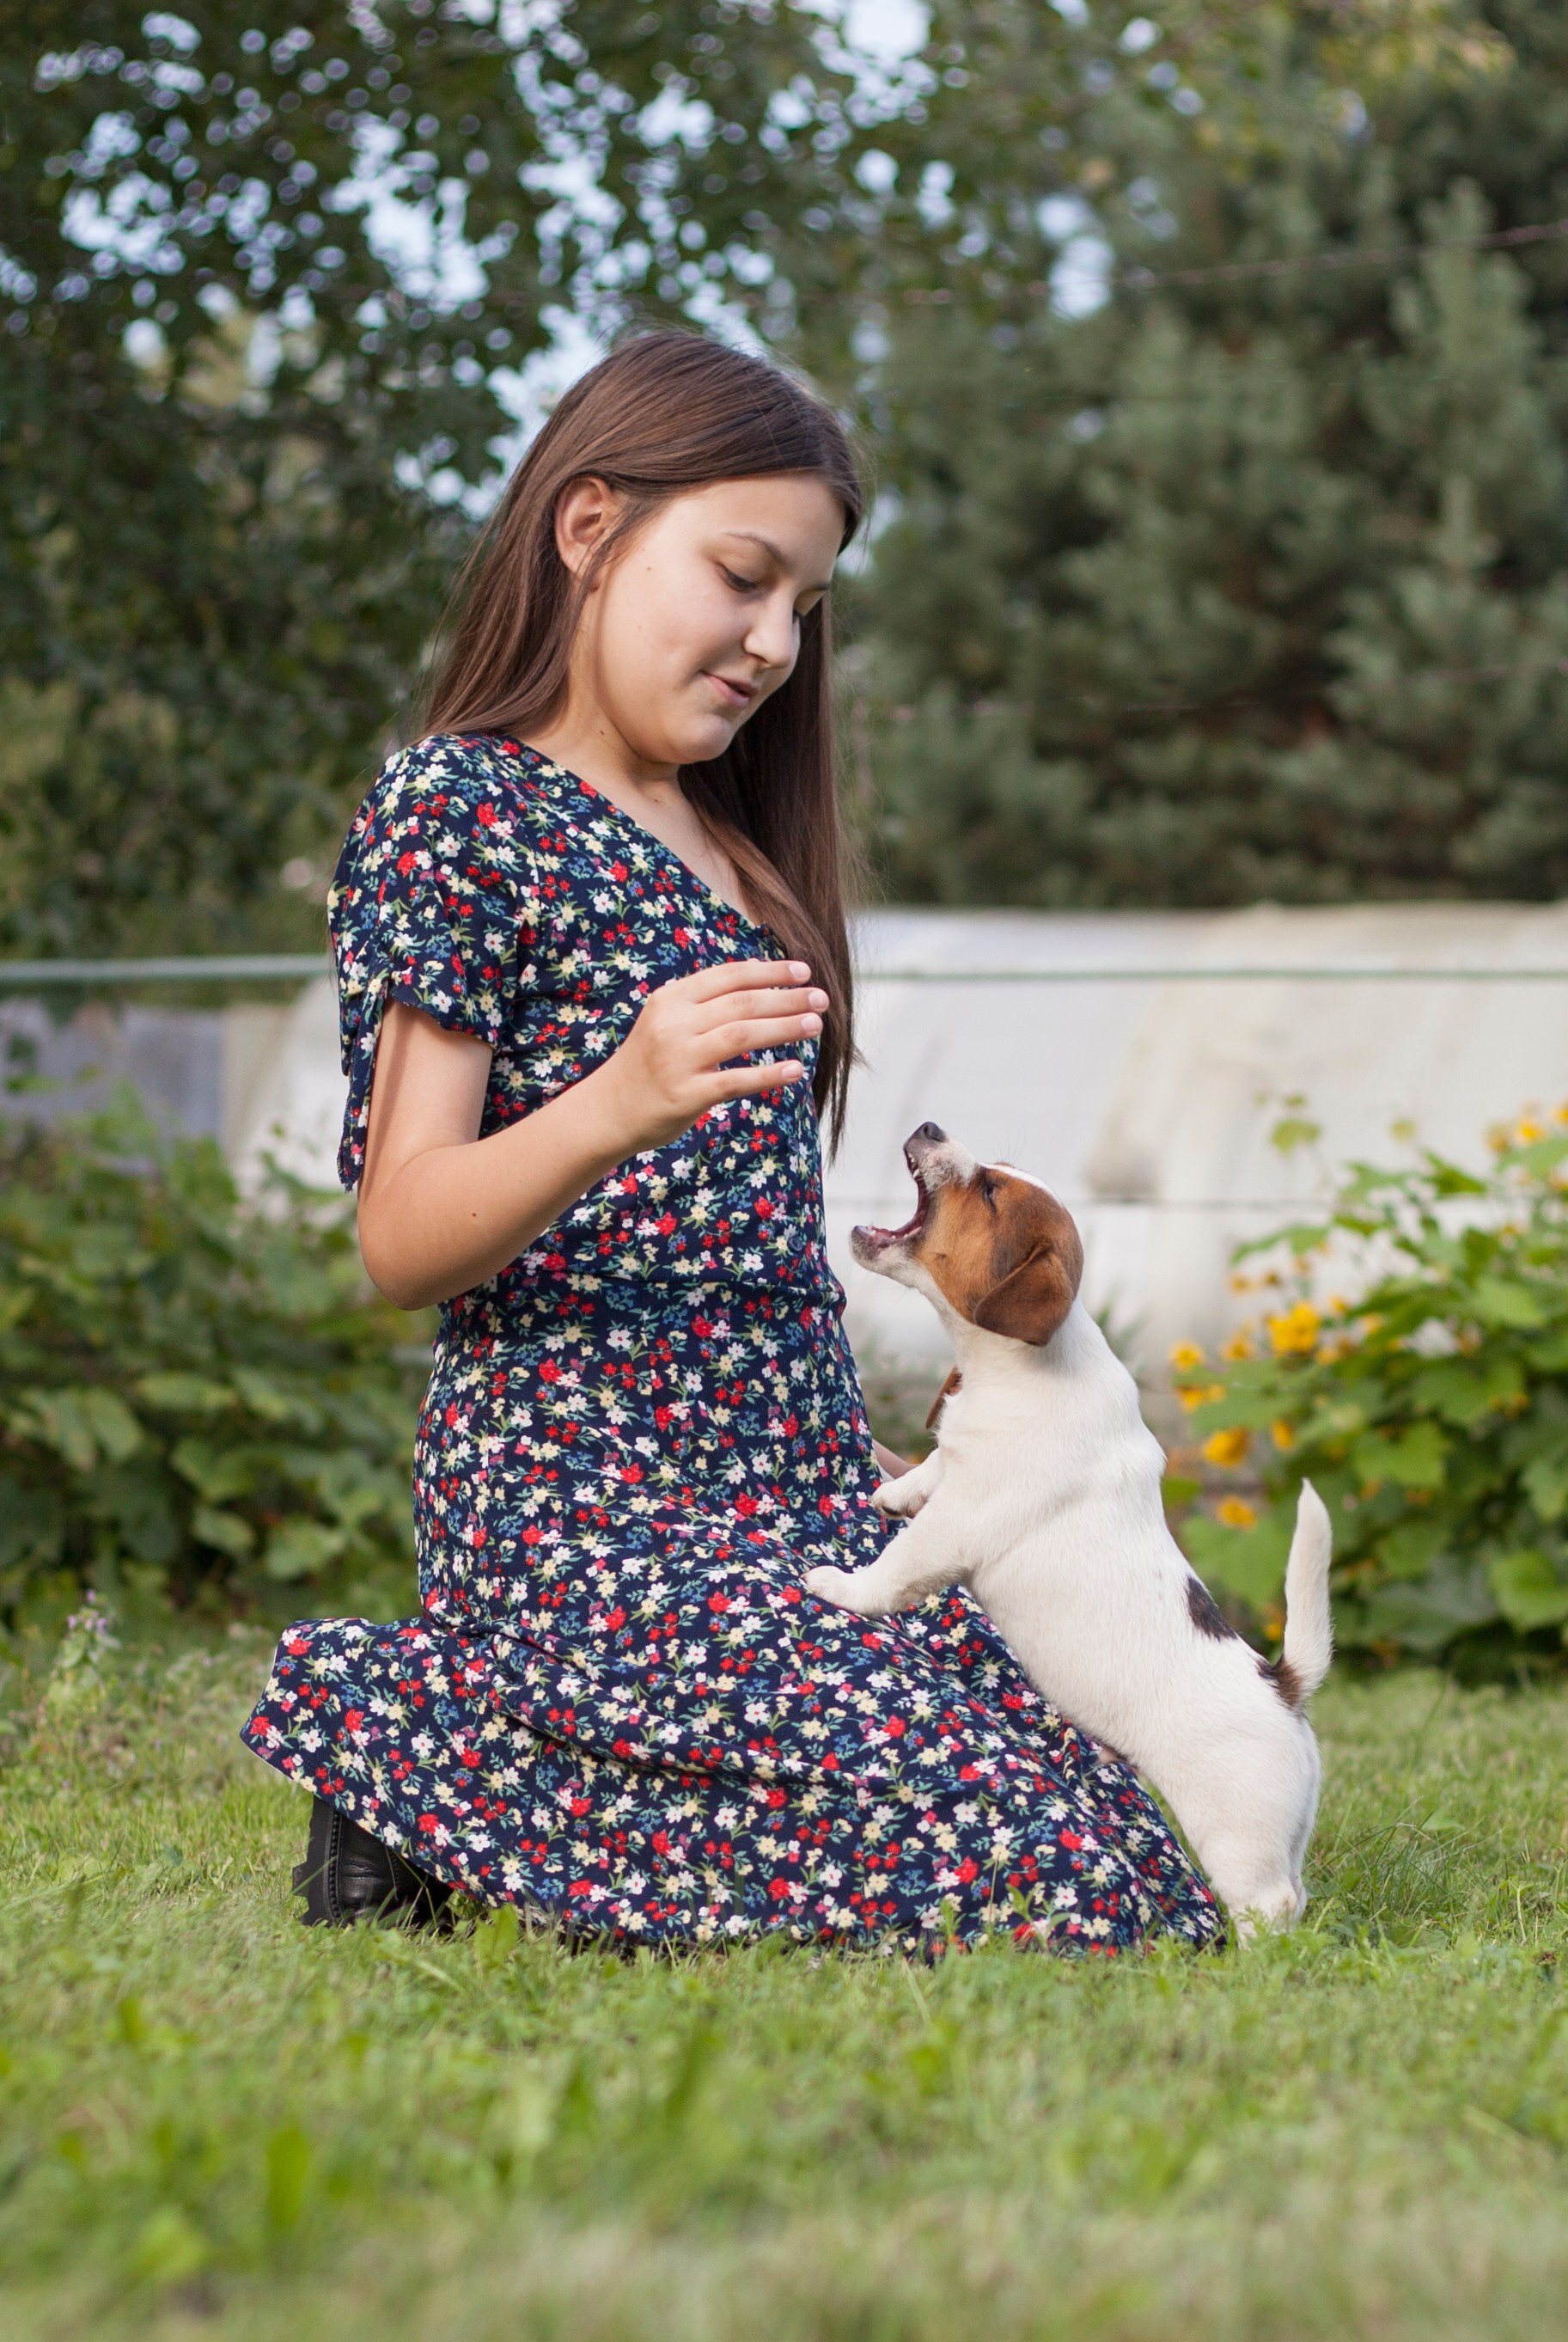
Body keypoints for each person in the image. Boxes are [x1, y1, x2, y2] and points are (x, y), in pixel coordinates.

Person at [241, 329, 1221, 1954]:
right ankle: (415, 1727)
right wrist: (619, 1093)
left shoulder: (736, 848)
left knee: (1104, 1837)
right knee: (980, 1849)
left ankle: (471, 1762)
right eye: (743, 577)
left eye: (805, 607)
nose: (774, 641)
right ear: (588, 528)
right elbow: (401, 1237)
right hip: (579, 1491)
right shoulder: (459, 808)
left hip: (800, 1487)